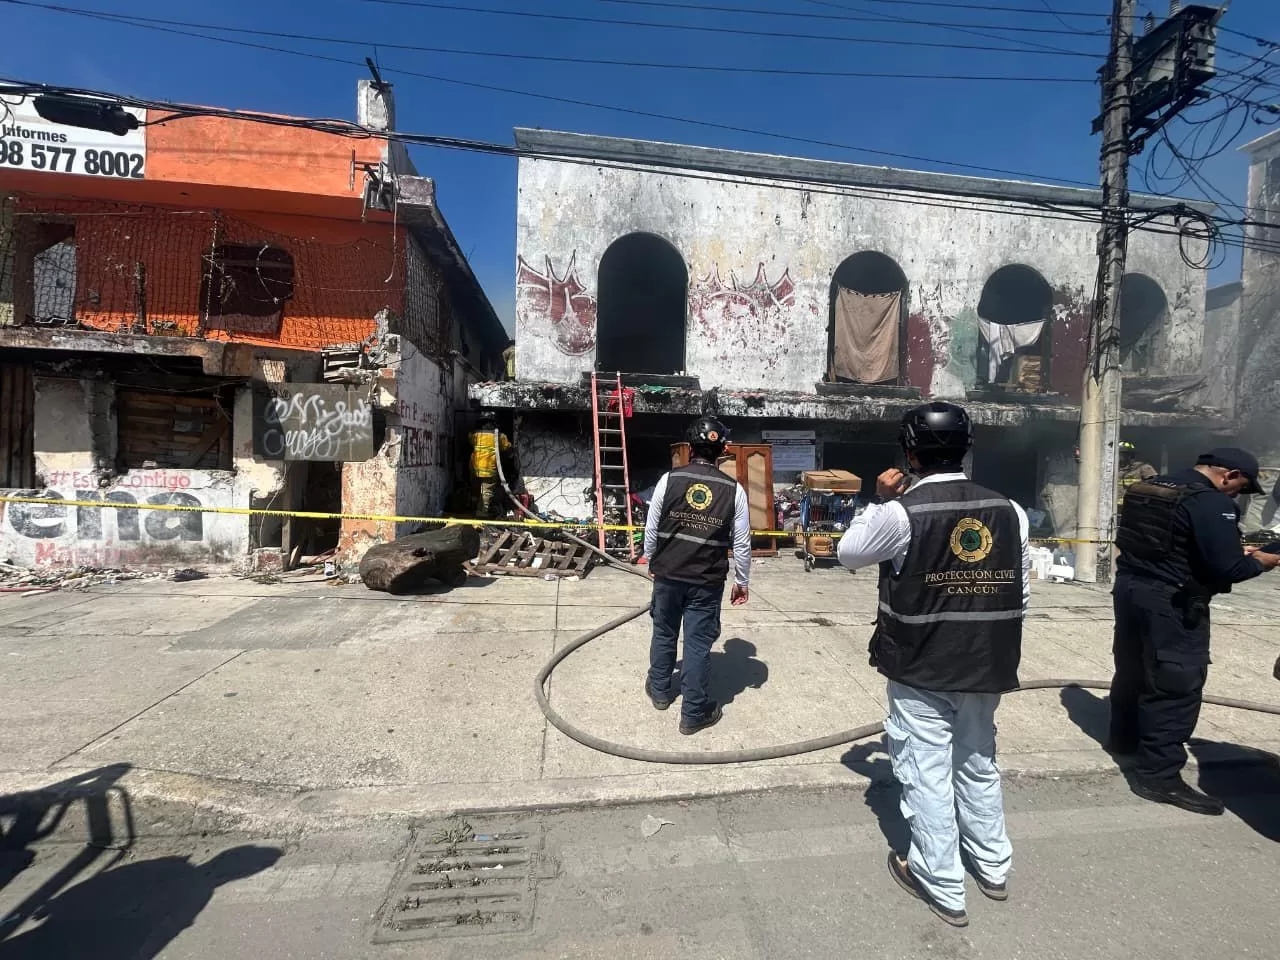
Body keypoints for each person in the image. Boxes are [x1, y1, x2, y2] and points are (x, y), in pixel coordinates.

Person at [837, 401, 1029, 928]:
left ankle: (939, 880)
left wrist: (876, 501)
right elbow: (1022, 589)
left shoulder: (902, 512)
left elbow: (849, 553)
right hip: (987, 663)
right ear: (966, 448)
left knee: (925, 771)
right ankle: (992, 866)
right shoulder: (1009, 510)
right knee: (977, 762)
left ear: (908, 453)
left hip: (922, 665)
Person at [1110, 447, 1280, 813]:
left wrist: (1229, 550)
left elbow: (1169, 543)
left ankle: (1123, 739)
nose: (1237, 496)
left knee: (1133, 670)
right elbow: (1229, 570)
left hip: (1130, 589)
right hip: (1173, 603)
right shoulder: (1210, 502)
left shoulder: (1149, 487)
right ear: (1230, 475)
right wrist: (1265, 559)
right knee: (1176, 685)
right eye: (1241, 488)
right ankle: (1158, 777)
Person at [643, 416, 751, 735]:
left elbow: (652, 528)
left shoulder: (669, 479)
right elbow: (742, 542)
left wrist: (652, 560)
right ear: (721, 451)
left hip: (668, 575)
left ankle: (660, 691)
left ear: (690, 449)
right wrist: (741, 581)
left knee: (664, 632)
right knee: (697, 643)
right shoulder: (734, 490)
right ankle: (693, 712)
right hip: (706, 581)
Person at [468, 415, 512, 519]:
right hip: (489, 469)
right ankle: (482, 514)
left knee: (476, 489)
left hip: (474, 468)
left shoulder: (475, 435)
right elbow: (506, 447)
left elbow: (470, 440)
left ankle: (473, 508)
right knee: (487, 492)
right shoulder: (499, 436)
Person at [1116, 440, 1157, 507]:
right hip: (1115, 507)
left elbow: (1152, 486)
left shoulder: (1143, 468)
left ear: (1130, 455)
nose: (1118, 456)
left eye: (1121, 454)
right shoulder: (1112, 469)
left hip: (1134, 507)